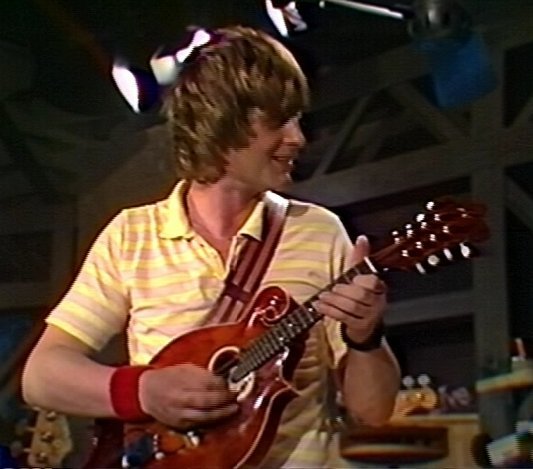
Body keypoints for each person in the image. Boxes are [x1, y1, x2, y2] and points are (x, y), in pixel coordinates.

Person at [21, 25, 400, 468]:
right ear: (221, 123)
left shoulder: (320, 231)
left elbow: (373, 412)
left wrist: (365, 336)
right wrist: (143, 391)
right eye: (279, 120)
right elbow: (41, 376)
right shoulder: (131, 236)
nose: (298, 138)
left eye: (297, 119)